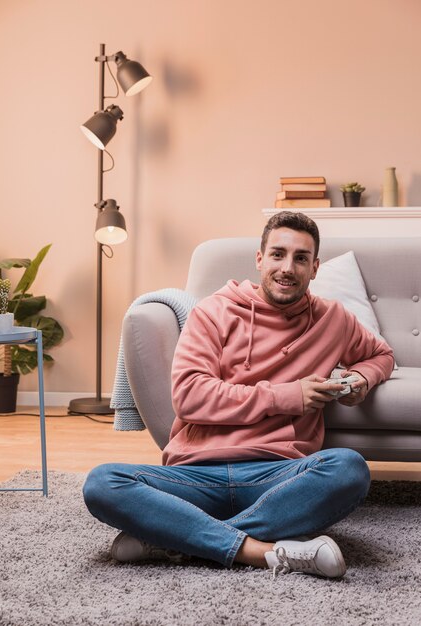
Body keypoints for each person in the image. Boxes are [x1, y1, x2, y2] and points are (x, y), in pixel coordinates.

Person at [83, 211, 394, 579]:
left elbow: (381, 355)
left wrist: (360, 378)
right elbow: (189, 396)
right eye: (277, 254)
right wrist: (288, 396)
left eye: (300, 258)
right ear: (260, 259)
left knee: (348, 469)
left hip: (278, 474)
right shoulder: (214, 311)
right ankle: (261, 552)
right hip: (197, 474)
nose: (287, 268)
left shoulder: (333, 319)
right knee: (103, 483)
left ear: (315, 268)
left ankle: (179, 538)